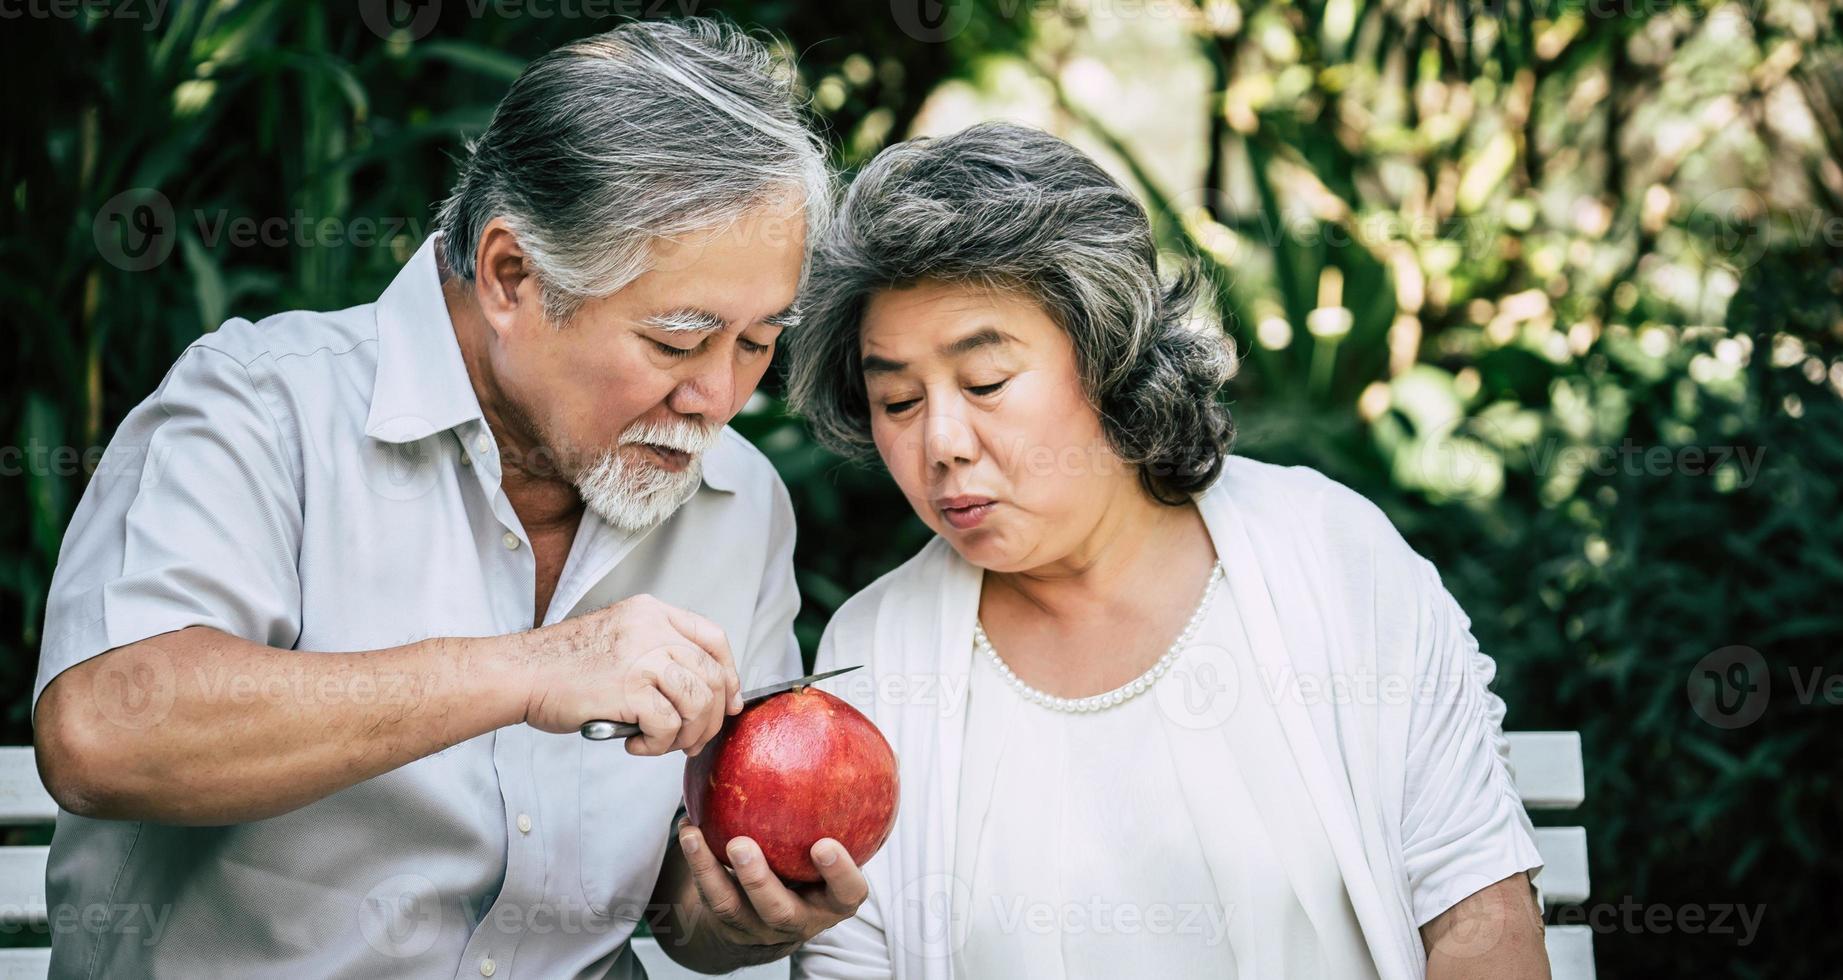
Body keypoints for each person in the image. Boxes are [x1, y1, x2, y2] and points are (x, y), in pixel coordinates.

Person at [33, 19, 865, 978]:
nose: (718, 399)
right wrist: (530, 669)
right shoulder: (263, 407)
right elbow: (104, 735)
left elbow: (687, 897)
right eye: (677, 342)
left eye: (759, 342)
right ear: (511, 276)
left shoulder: (738, 499)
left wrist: (735, 915)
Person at [786, 122, 1551, 979]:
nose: (942, 442)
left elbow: (1478, 914)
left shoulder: (1329, 555)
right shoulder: (874, 658)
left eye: (986, 383)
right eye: (896, 400)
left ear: (1109, 353)